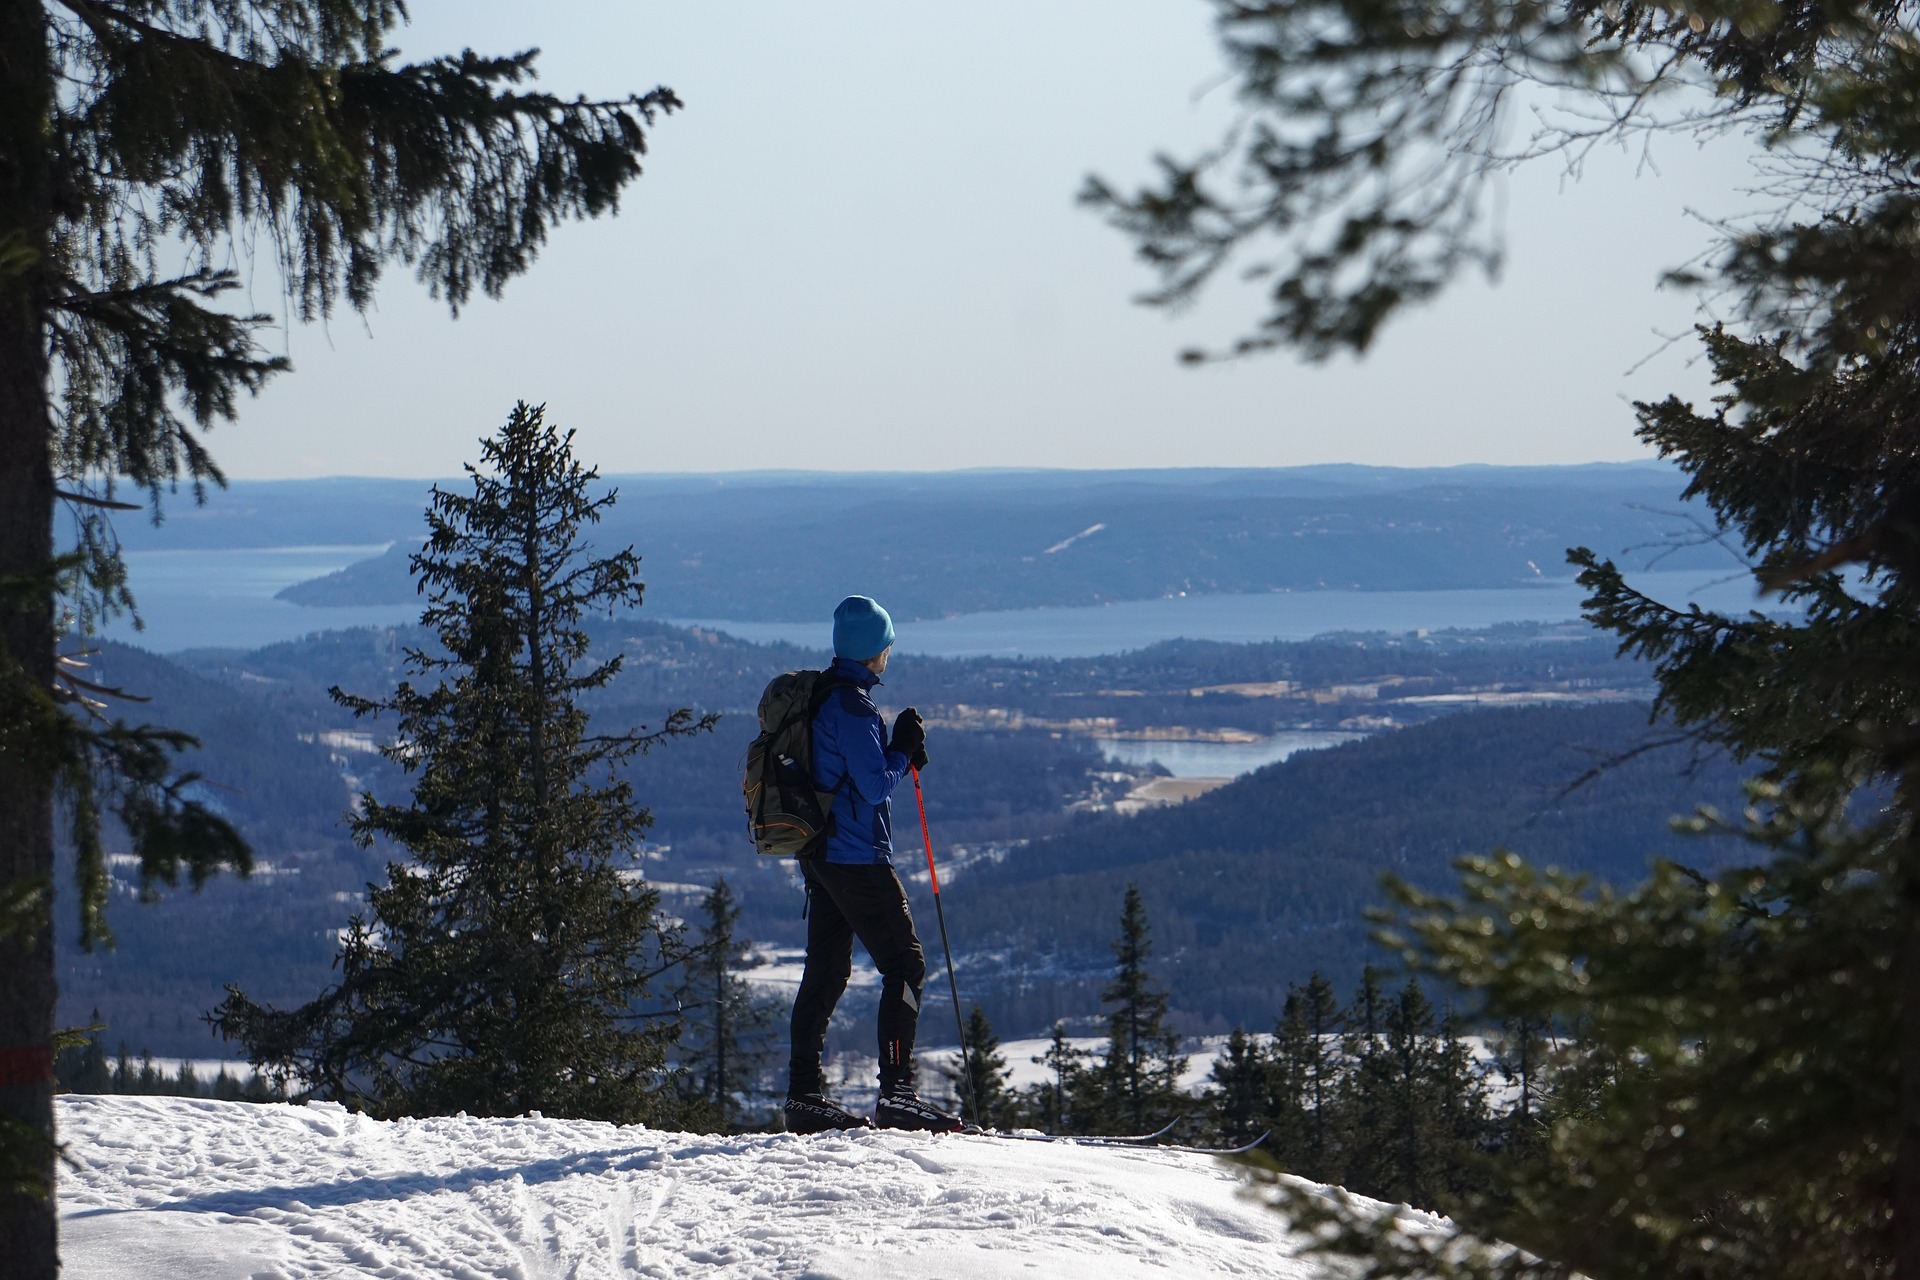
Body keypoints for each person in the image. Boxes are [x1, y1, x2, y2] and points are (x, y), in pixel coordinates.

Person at [782, 595, 963, 1134]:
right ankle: (898, 1096)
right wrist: (904, 749)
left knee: (828, 969)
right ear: (873, 650)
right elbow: (874, 784)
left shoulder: (820, 697)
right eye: (886, 642)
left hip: (819, 853)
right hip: (856, 856)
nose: (889, 650)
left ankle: (804, 1096)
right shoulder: (854, 708)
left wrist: (896, 748)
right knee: (905, 966)